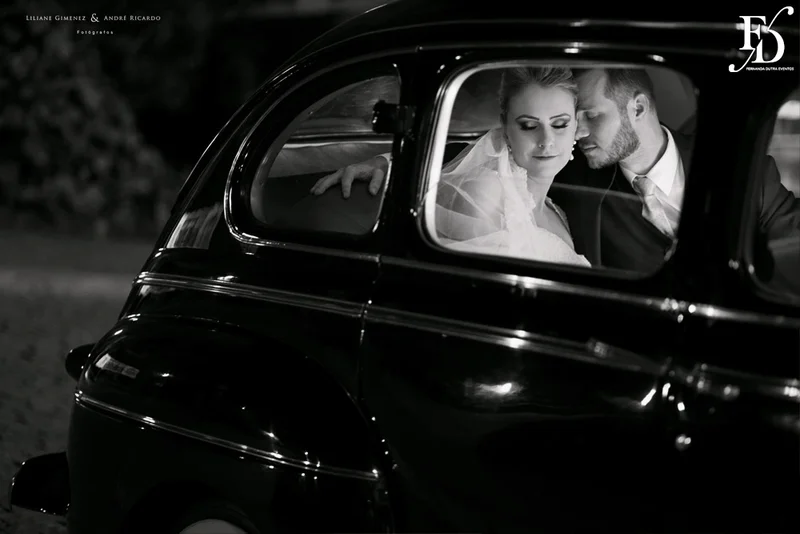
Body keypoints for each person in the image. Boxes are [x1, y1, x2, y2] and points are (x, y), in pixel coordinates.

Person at [310, 67, 800, 275]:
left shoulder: (746, 171)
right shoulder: (575, 172)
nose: (575, 134)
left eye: (589, 117)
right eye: (573, 120)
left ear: (639, 108)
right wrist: (391, 159)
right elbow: (495, 161)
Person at [426, 66, 589, 266]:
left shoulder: (558, 212)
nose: (547, 140)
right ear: (505, 127)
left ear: (575, 125)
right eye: (529, 126)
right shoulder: (486, 192)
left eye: (560, 125)